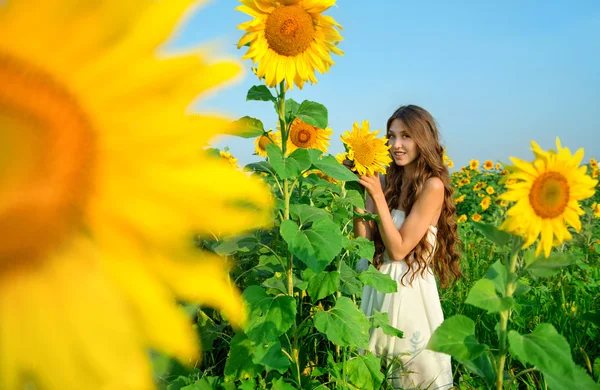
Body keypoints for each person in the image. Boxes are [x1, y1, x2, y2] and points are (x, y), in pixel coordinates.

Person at [351, 105, 462, 389]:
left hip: (409, 290)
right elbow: (364, 240)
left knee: (414, 376)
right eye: (391, 136)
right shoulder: (388, 181)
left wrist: (377, 194)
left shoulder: (432, 187)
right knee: (372, 375)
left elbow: (399, 250)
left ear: (422, 139)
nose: (396, 145)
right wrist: (359, 189)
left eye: (405, 136)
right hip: (377, 286)